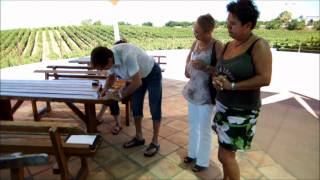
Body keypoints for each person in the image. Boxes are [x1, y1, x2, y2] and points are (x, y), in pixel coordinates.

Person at [212, 0, 272, 179]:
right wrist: (217, 79)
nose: (227, 27)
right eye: (227, 22)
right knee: (227, 153)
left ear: (248, 25)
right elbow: (220, 70)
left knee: (224, 155)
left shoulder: (258, 45)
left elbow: (265, 78)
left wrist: (232, 86)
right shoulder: (228, 45)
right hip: (223, 106)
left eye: (233, 24)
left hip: (242, 111)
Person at [90, 43, 162, 157]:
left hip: (152, 73)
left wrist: (120, 96)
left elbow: (137, 82)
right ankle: (139, 137)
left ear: (109, 60)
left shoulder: (127, 56)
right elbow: (111, 77)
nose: (103, 70)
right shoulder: (109, 58)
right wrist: (104, 90)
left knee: (154, 107)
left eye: (103, 67)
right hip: (136, 77)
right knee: (136, 106)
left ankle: (155, 142)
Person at [182, 14, 223, 172]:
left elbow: (221, 71)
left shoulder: (217, 45)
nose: (195, 34)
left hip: (206, 94)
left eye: (198, 31)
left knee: (204, 128)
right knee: (193, 125)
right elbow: (187, 60)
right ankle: (192, 153)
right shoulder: (195, 43)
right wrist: (187, 69)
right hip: (193, 91)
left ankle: (203, 161)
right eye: (194, 30)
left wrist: (205, 67)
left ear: (208, 31)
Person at [96, 38, 129, 135]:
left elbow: (131, 79)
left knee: (112, 97)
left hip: (129, 83)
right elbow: (112, 77)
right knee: (109, 94)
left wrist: (119, 86)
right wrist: (107, 89)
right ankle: (100, 116)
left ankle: (118, 124)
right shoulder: (113, 61)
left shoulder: (127, 59)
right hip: (120, 82)